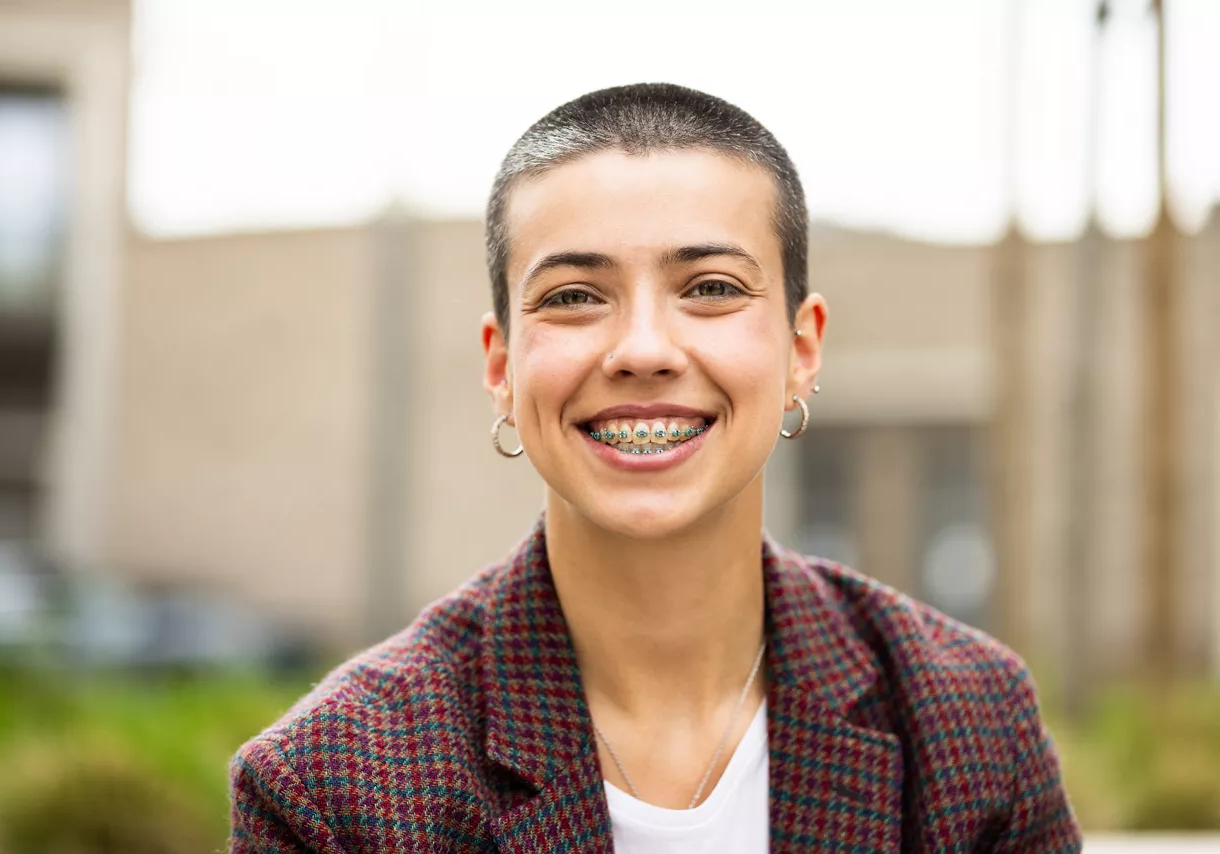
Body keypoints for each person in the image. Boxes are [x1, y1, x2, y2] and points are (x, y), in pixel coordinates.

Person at [229, 83, 1082, 853]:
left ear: (801, 350)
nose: (643, 349)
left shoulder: (970, 722)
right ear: (501, 367)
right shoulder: (329, 787)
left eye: (711, 287)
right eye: (574, 296)